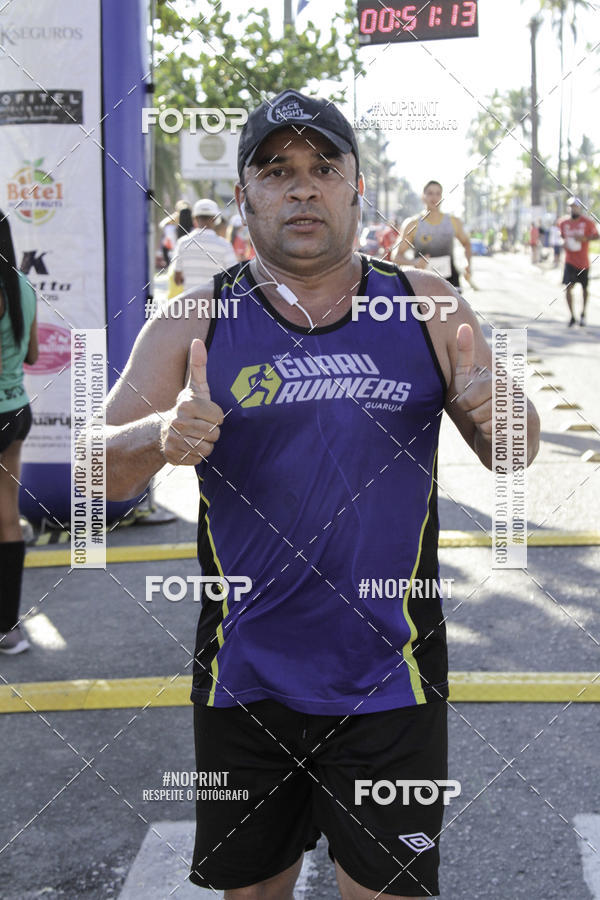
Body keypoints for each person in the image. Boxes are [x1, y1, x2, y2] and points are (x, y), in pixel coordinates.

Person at [105, 89, 540, 899]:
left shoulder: (426, 304)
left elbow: (515, 451)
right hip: (245, 678)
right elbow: (92, 469)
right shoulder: (194, 318)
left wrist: (498, 411)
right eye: (277, 170)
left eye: (322, 167)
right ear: (244, 197)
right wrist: (157, 436)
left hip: (392, 677)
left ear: (356, 187)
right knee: (254, 891)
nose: (302, 187)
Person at [0, 210, 38, 654]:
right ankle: (8, 629)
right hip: (14, 410)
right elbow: (32, 354)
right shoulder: (23, 286)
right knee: (7, 519)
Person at [392, 181, 471, 288]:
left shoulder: (453, 222)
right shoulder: (412, 224)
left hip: (450, 284)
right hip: (422, 284)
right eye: (430, 193)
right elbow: (396, 257)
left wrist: (467, 264)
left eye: (438, 194)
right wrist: (414, 262)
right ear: (423, 197)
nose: (434, 197)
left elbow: (466, 243)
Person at [172, 198, 237, 291]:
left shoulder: (182, 243)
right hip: (215, 302)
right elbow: (233, 278)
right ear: (215, 219)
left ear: (194, 218)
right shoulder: (225, 246)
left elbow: (177, 280)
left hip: (190, 302)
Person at [559, 197, 599, 327]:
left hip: (583, 262)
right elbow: (561, 238)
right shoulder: (563, 223)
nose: (573, 208)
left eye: (576, 206)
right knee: (568, 288)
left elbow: (596, 236)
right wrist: (563, 244)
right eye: (571, 206)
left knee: (584, 289)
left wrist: (585, 238)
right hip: (569, 261)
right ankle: (572, 316)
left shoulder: (587, 222)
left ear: (580, 208)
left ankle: (583, 314)